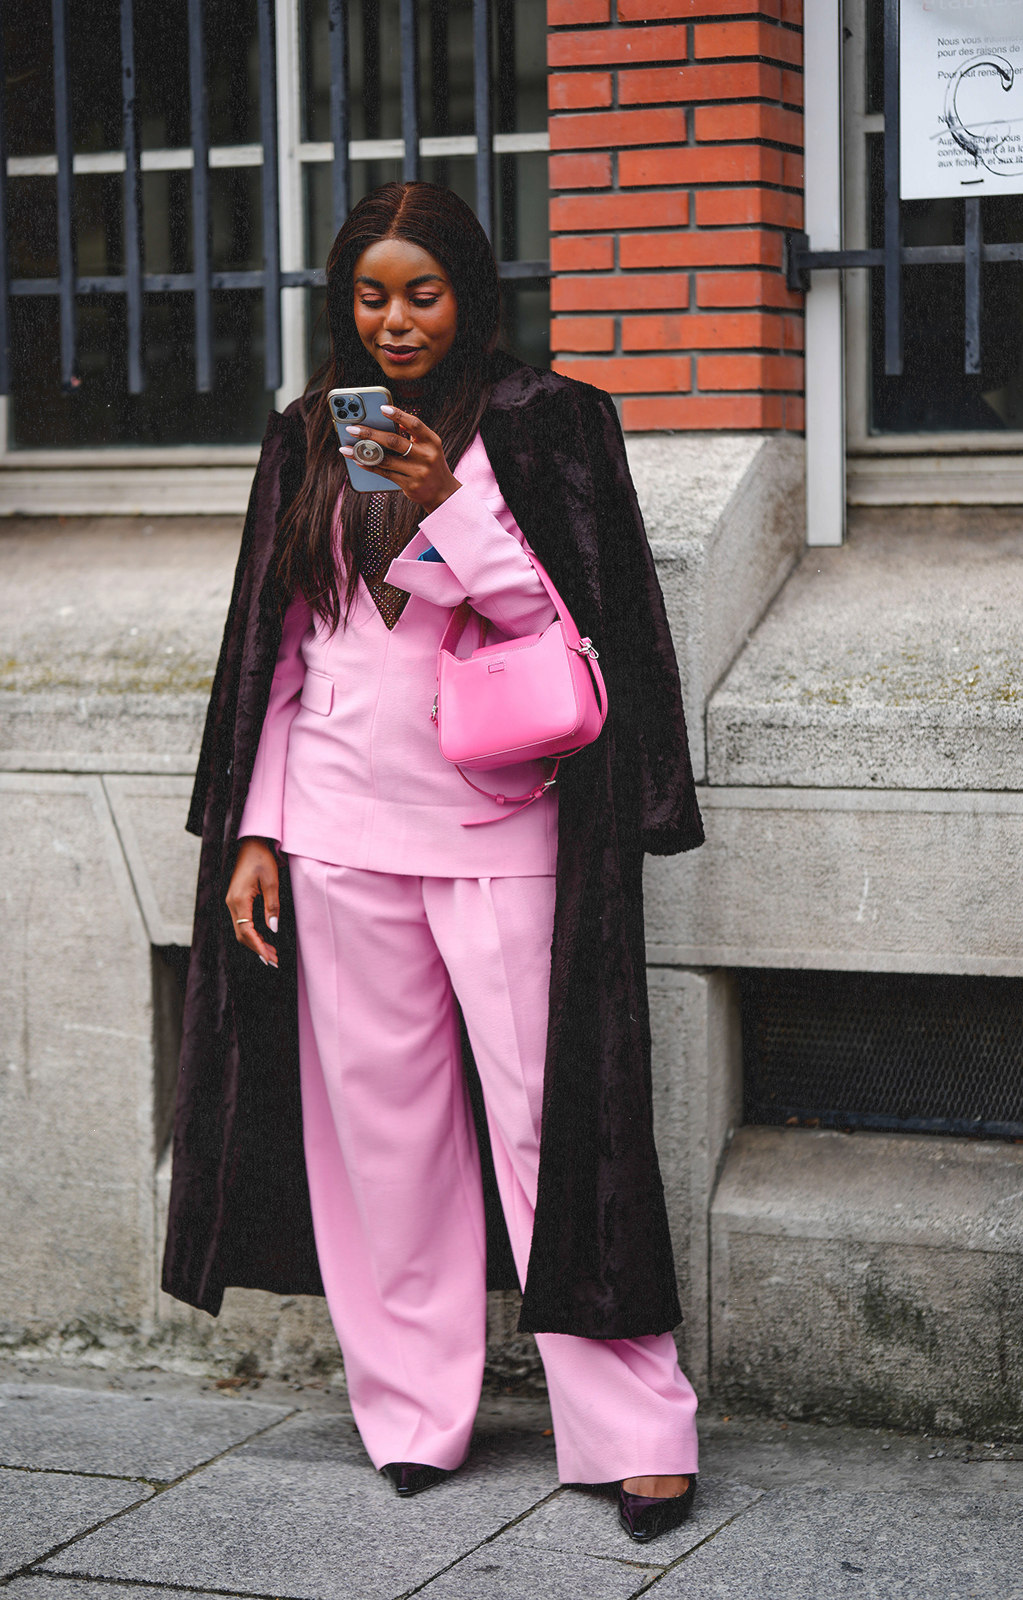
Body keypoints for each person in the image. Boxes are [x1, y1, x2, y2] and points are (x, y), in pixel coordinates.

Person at [163, 182, 705, 1544]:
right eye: (369, 295)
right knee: (381, 1141)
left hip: (501, 833)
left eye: (423, 292)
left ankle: (634, 1429)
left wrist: (447, 506)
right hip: (338, 837)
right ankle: (412, 1414)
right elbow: (280, 660)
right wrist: (257, 829)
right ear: (340, 303)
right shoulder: (303, 438)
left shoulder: (545, 424)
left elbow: (576, 637)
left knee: (552, 1123)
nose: (395, 321)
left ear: (471, 293)